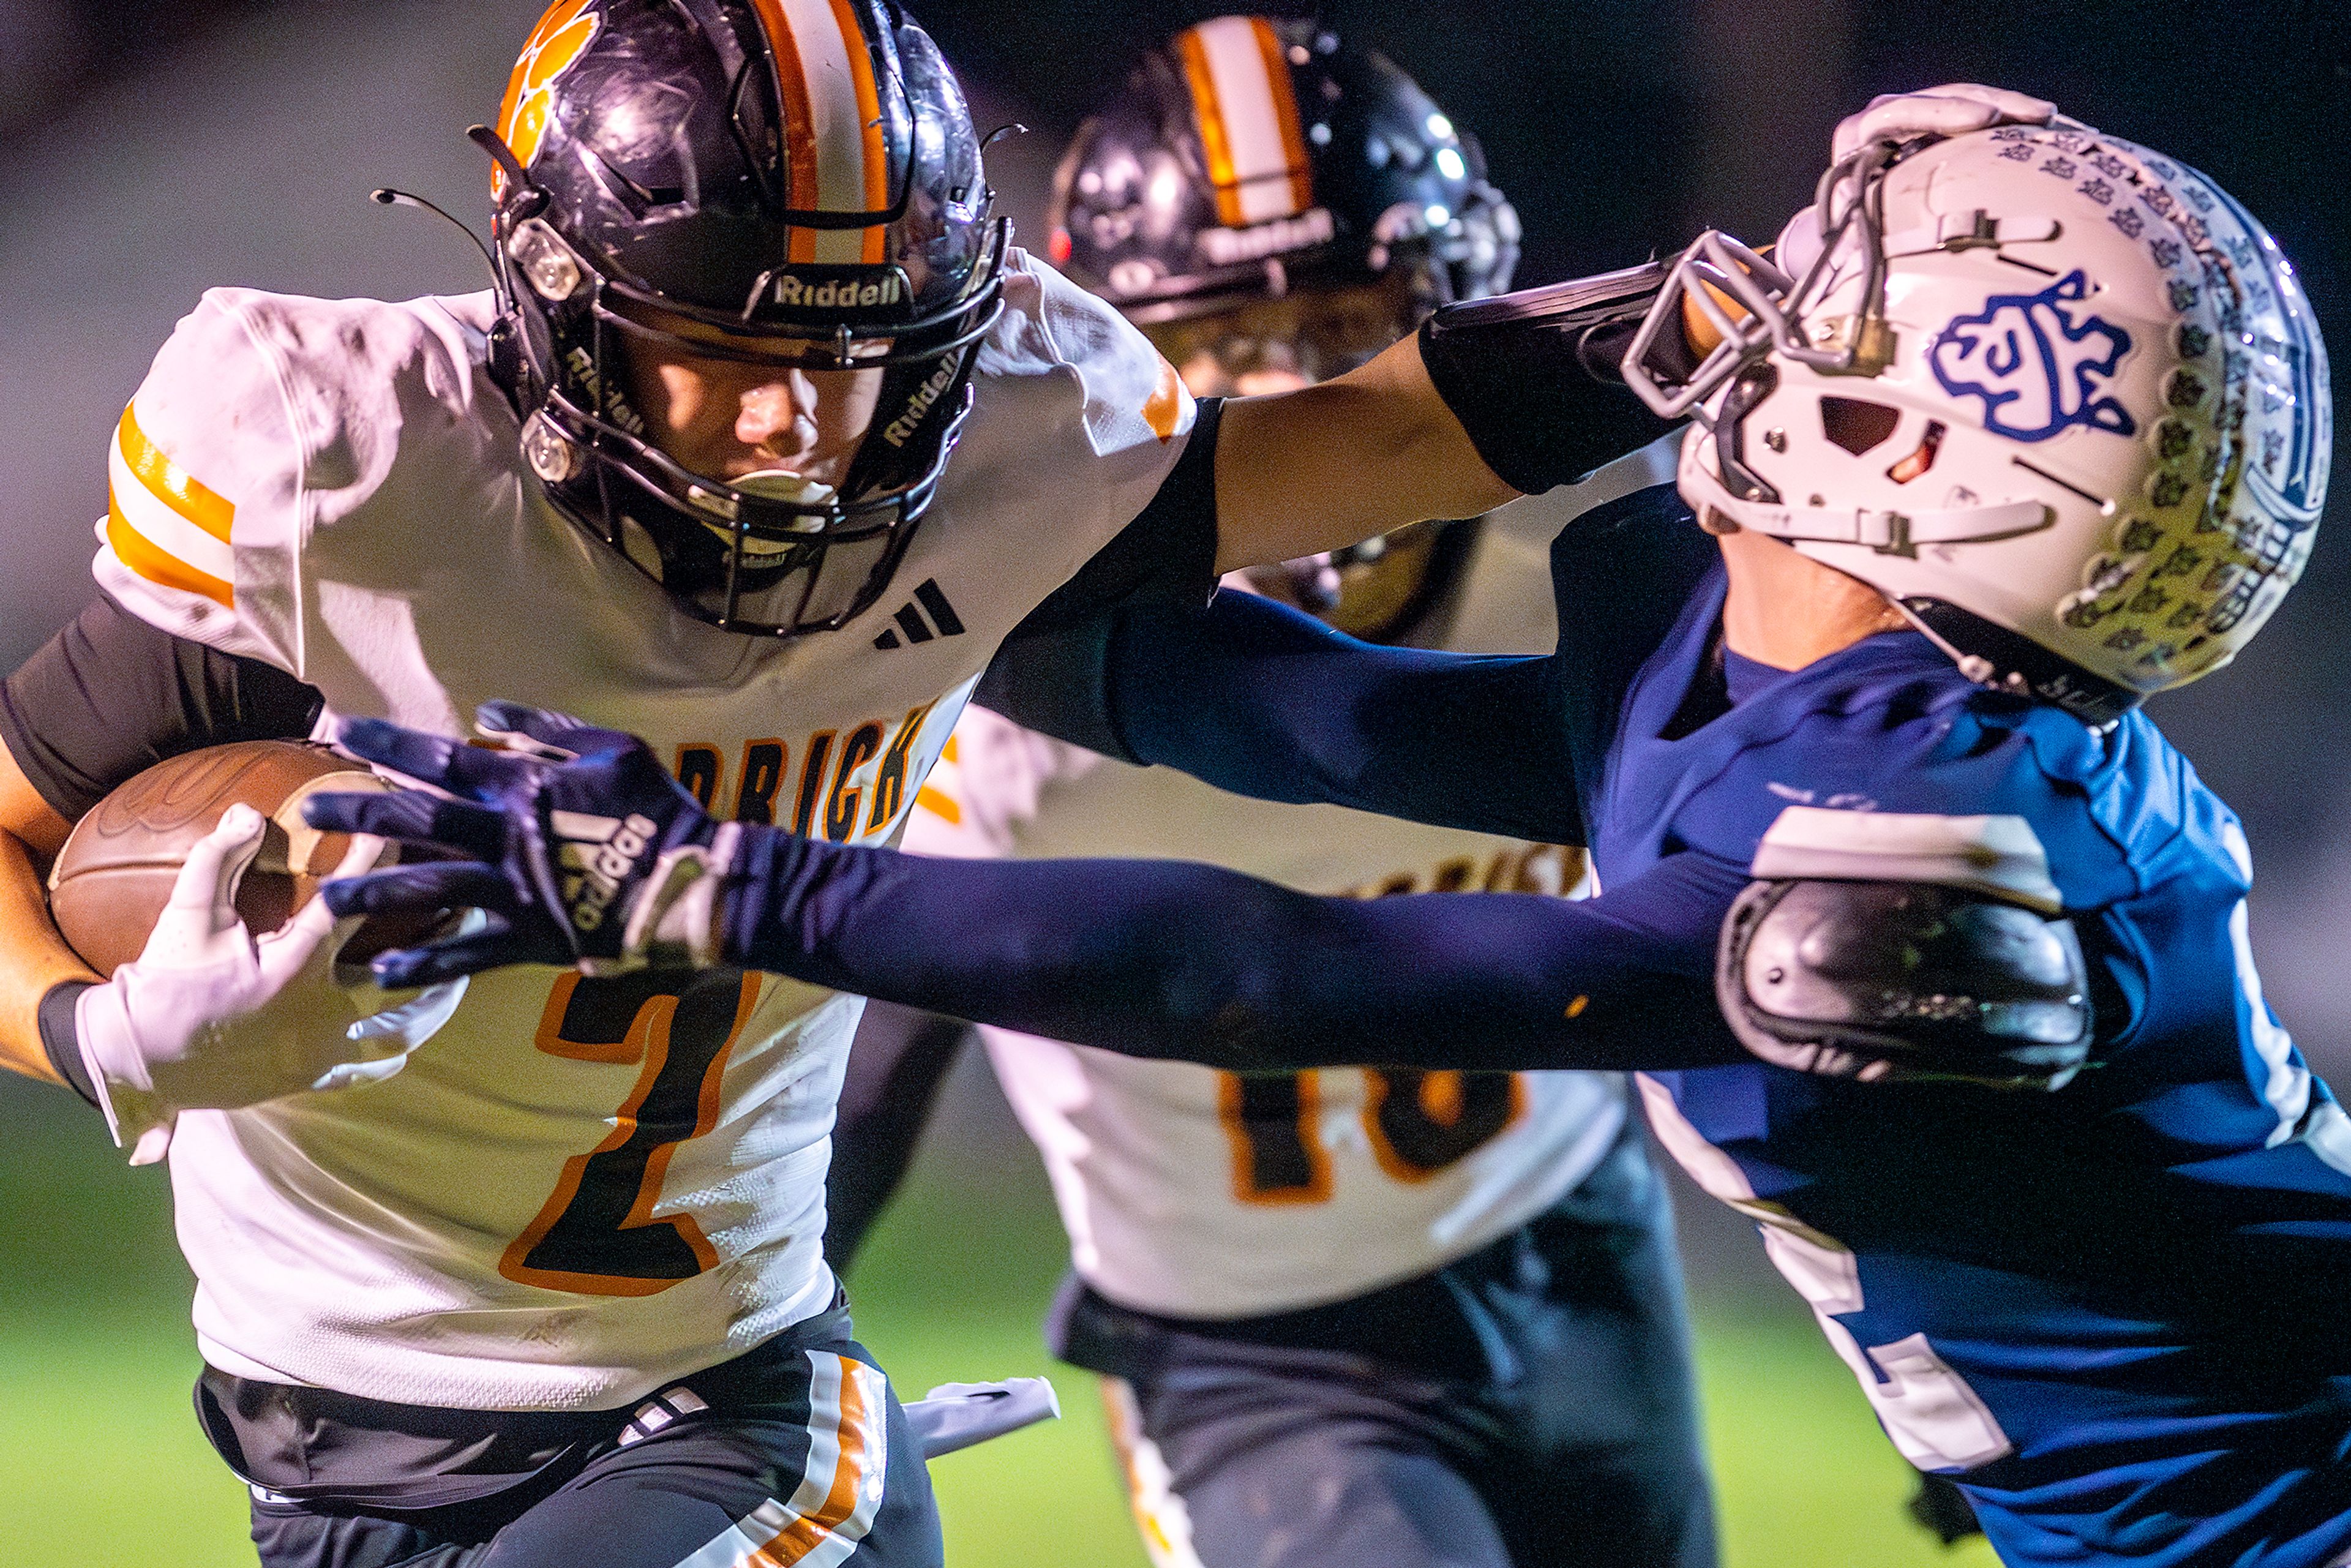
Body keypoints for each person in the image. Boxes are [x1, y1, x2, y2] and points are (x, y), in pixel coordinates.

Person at [318, 95, 2351, 1568]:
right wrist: (901, 572)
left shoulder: (1925, 844)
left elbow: (1281, 976)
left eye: (1839, 314)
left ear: (1903, 448)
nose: (1767, 311)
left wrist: (714, 878)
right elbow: (1309, 716)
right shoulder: (1789, 692)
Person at [0, 2, 1572, 1563]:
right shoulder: (348, 476)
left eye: (867, 353)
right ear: (560, 293)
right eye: (728, 352)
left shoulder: (1017, 455)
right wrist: (99, 1037)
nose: (801, 428)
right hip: (316, 1441)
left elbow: (1376, 447)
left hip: (704, 1406)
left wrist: (1700, 331)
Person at [823, 20, 1714, 1568]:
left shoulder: (1589, 537)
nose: (1305, 382)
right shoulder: (1011, 677)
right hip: (1251, 1355)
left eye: (1358, 319)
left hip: (1578, 1235)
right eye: (1224, 337)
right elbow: (866, 1051)